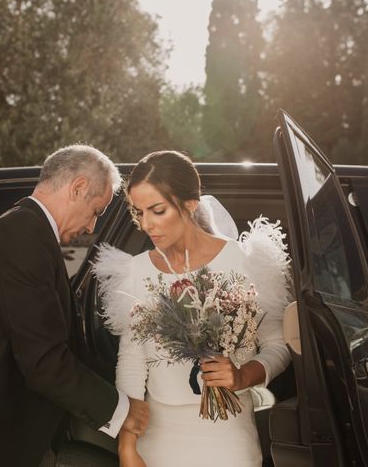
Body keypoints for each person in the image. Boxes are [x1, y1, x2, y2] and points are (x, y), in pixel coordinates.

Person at [0, 145, 149, 467]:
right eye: (96, 211)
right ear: (78, 188)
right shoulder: (21, 234)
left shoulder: (30, 232)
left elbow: (66, 349)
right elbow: (45, 361)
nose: (92, 227)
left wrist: (137, 386)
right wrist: (121, 411)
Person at [92, 151, 292, 467]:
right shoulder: (135, 271)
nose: (146, 225)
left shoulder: (246, 261)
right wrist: (127, 446)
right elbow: (131, 361)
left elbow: (278, 346)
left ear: (190, 204)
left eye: (157, 211)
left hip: (230, 438)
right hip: (157, 439)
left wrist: (241, 376)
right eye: (138, 212)